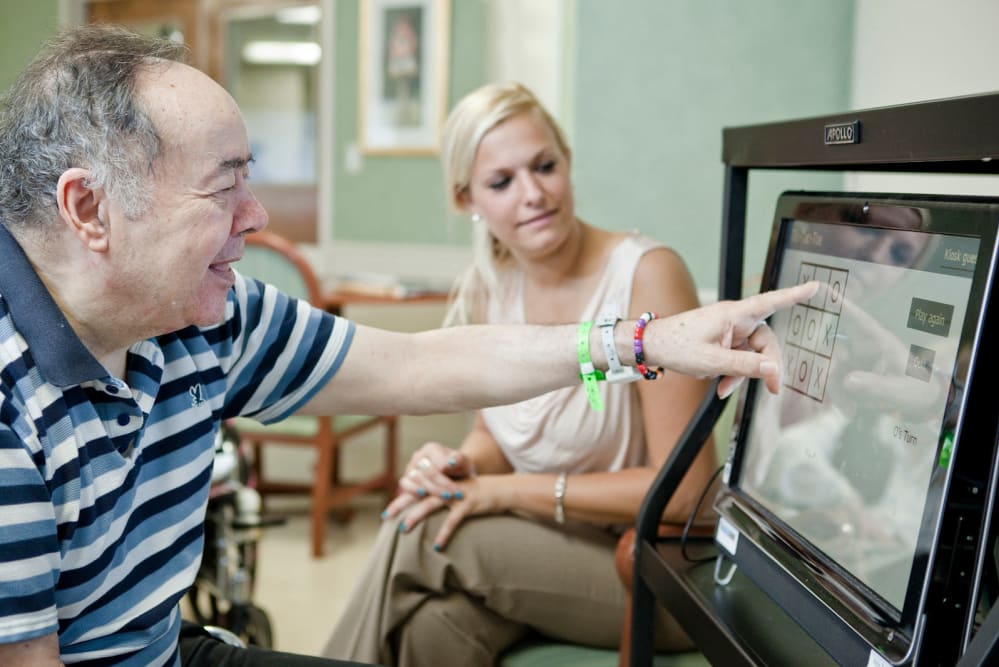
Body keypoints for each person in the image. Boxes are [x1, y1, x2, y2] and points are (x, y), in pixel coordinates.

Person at [0, 24, 815, 667]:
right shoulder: (12, 405)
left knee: (424, 551)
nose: (258, 218)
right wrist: (476, 476)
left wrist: (648, 338)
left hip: (166, 649)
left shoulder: (208, 318)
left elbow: (422, 362)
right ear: (89, 209)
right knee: (434, 611)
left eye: (544, 166)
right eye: (225, 185)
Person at [323, 81, 721, 666]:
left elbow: (685, 494)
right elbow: (495, 436)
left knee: (423, 534)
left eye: (544, 166)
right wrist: (458, 466)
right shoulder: (493, 285)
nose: (533, 194)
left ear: (567, 162)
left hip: (651, 569)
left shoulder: (646, 276)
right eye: (502, 182)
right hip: (545, 547)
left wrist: (500, 493)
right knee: (432, 627)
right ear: (467, 200)